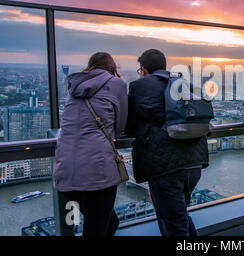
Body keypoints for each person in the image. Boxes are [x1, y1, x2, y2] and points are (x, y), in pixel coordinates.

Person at [125, 49, 209, 236]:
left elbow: (129, 127)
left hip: (164, 165)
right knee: (178, 217)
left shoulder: (140, 87)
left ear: (143, 69)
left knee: (174, 225)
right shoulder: (184, 83)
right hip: (195, 160)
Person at [53, 52, 128, 236]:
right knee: (97, 230)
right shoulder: (117, 84)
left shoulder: (72, 85)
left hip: (64, 169)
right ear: (113, 68)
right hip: (97, 171)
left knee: (109, 223)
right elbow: (120, 126)